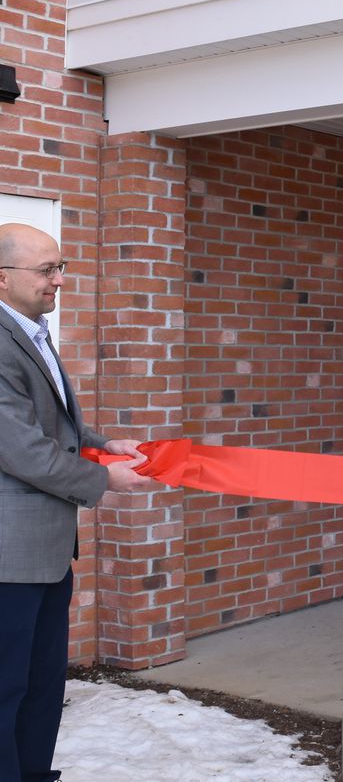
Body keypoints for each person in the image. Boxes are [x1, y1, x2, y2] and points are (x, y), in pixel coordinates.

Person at [0, 223, 151, 782]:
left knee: (42, 685)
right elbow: (22, 450)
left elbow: (54, 425)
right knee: (6, 687)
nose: (58, 280)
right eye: (46, 270)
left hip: (46, 549)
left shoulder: (31, 329)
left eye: (60, 268)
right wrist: (103, 479)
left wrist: (100, 443)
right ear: (2, 277)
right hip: (8, 558)